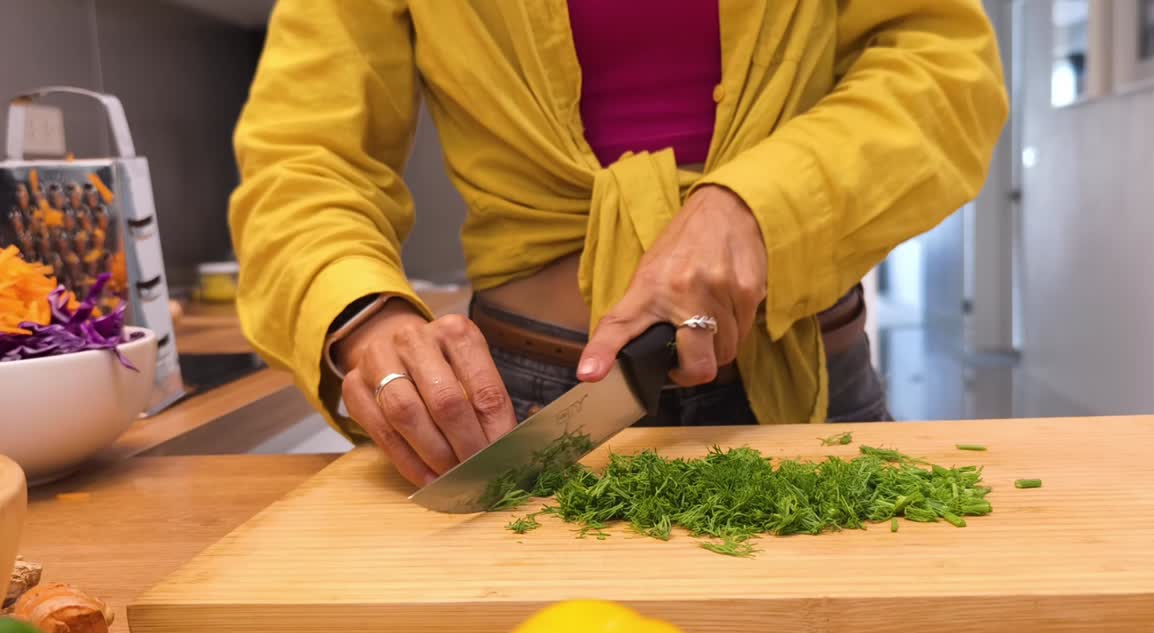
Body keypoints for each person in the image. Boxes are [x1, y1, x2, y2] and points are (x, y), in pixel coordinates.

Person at [230, 1, 1008, 487]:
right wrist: (360, 315)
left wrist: (755, 205)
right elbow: (305, 157)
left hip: (803, 370)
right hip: (519, 407)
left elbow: (943, 69)